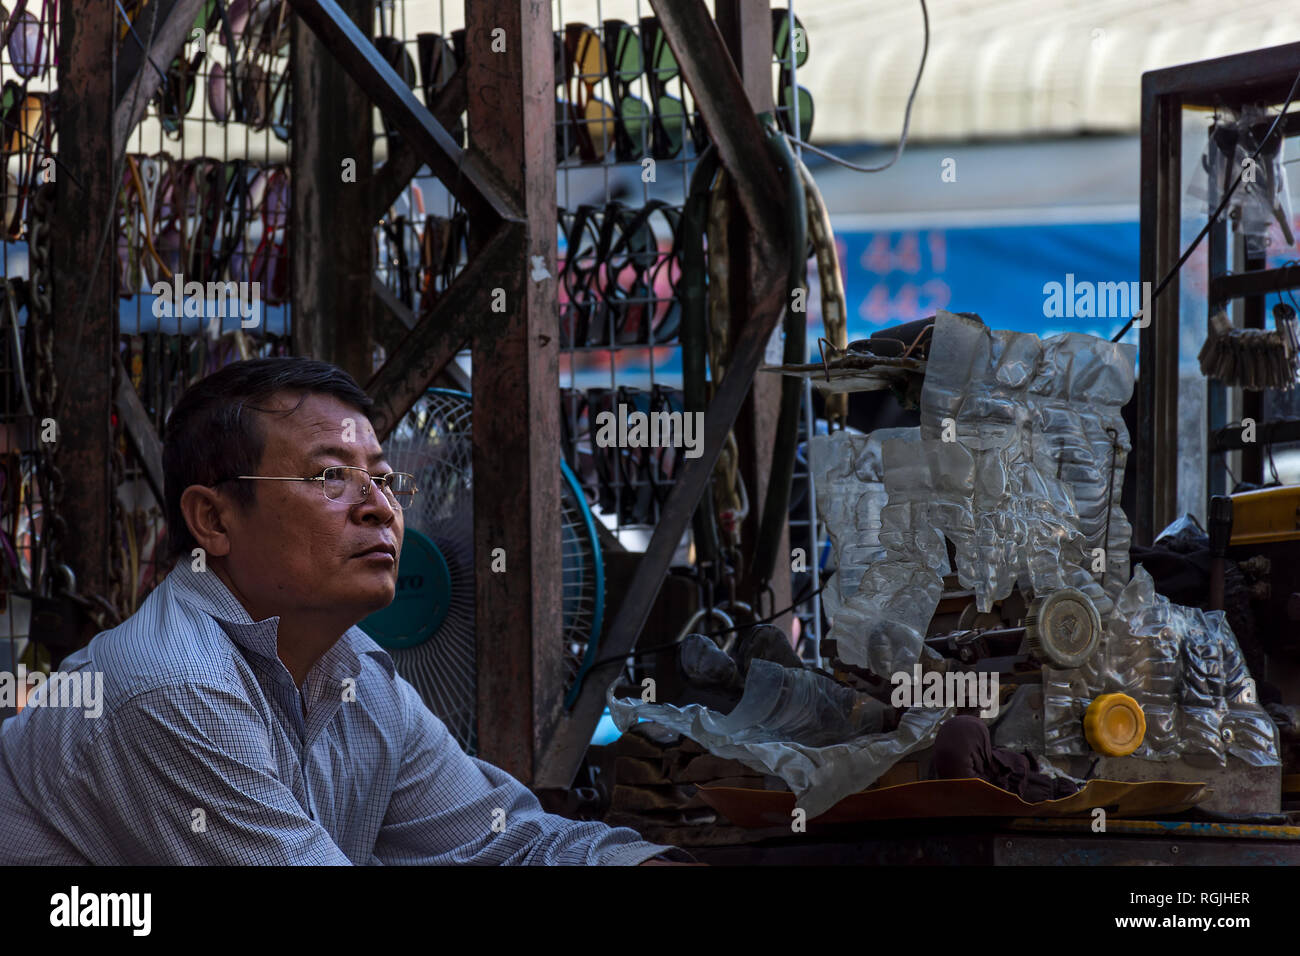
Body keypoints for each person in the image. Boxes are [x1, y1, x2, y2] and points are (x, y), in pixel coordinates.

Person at [0, 358, 693, 865]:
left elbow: (503, 840)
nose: (381, 508)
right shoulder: (175, 687)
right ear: (213, 519)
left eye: (385, 479)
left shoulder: (354, 671)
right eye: (331, 476)